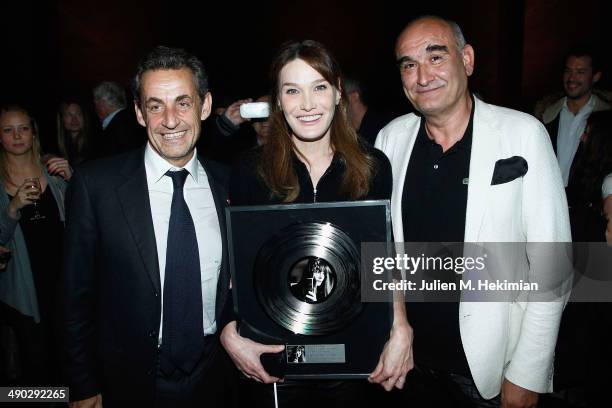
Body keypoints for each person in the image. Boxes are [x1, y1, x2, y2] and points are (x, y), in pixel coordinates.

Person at [375, 16, 571, 407]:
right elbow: (383, 252)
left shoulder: (523, 133)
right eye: (409, 65)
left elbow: (554, 264)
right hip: (408, 367)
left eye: (435, 57)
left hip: (489, 374)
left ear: (466, 60)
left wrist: (527, 372)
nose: (422, 75)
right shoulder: (389, 140)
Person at [222, 39, 413, 408]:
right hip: (274, 359)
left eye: (319, 87)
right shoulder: (249, 169)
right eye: (292, 90)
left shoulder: (373, 166)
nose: (307, 104)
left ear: (339, 92)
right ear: (278, 102)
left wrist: (400, 326)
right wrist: (230, 331)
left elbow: (384, 256)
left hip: (354, 354)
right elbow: (234, 265)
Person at [62, 46, 234, 407]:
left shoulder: (230, 184)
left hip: (215, 376)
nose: (170, 120)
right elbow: (76, 297)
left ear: (205, 106)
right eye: (156, 105)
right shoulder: (97, 186)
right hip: (128, 379)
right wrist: (82, 384)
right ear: (139, 113)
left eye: (183, 103)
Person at [0, 105, 71, 386]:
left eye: (23, 128)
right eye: (8, 130)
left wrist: (74, 179)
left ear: (33, 134)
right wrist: (12, 208)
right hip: (24, 293)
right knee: (34, 375)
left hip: (64, 287)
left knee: (67, 366)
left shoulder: (53, 174)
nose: (17, 136)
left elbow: (85, 223)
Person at [541, 47, 611, 187]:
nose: (572, 78)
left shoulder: (605, 119)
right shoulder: (546, 115)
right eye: (568, 71)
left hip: (588, 203)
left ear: (595, 76)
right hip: (549, 198)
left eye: (580, 72)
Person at [93, 80, 146, 157]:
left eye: (95, 103)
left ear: (101, 103)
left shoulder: (116, 128)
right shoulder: (133, 120)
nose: (95, 108)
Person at [344, 77, 396, 145]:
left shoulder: (381, 126)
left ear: (354, 96)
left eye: (340, 96)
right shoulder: (347, 131)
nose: (336, 102)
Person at [56, 99, 96, 166]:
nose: (74, 119)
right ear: (62, 119)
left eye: (78, 114)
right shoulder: (55, 146)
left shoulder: (94, 142)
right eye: (69, 115)